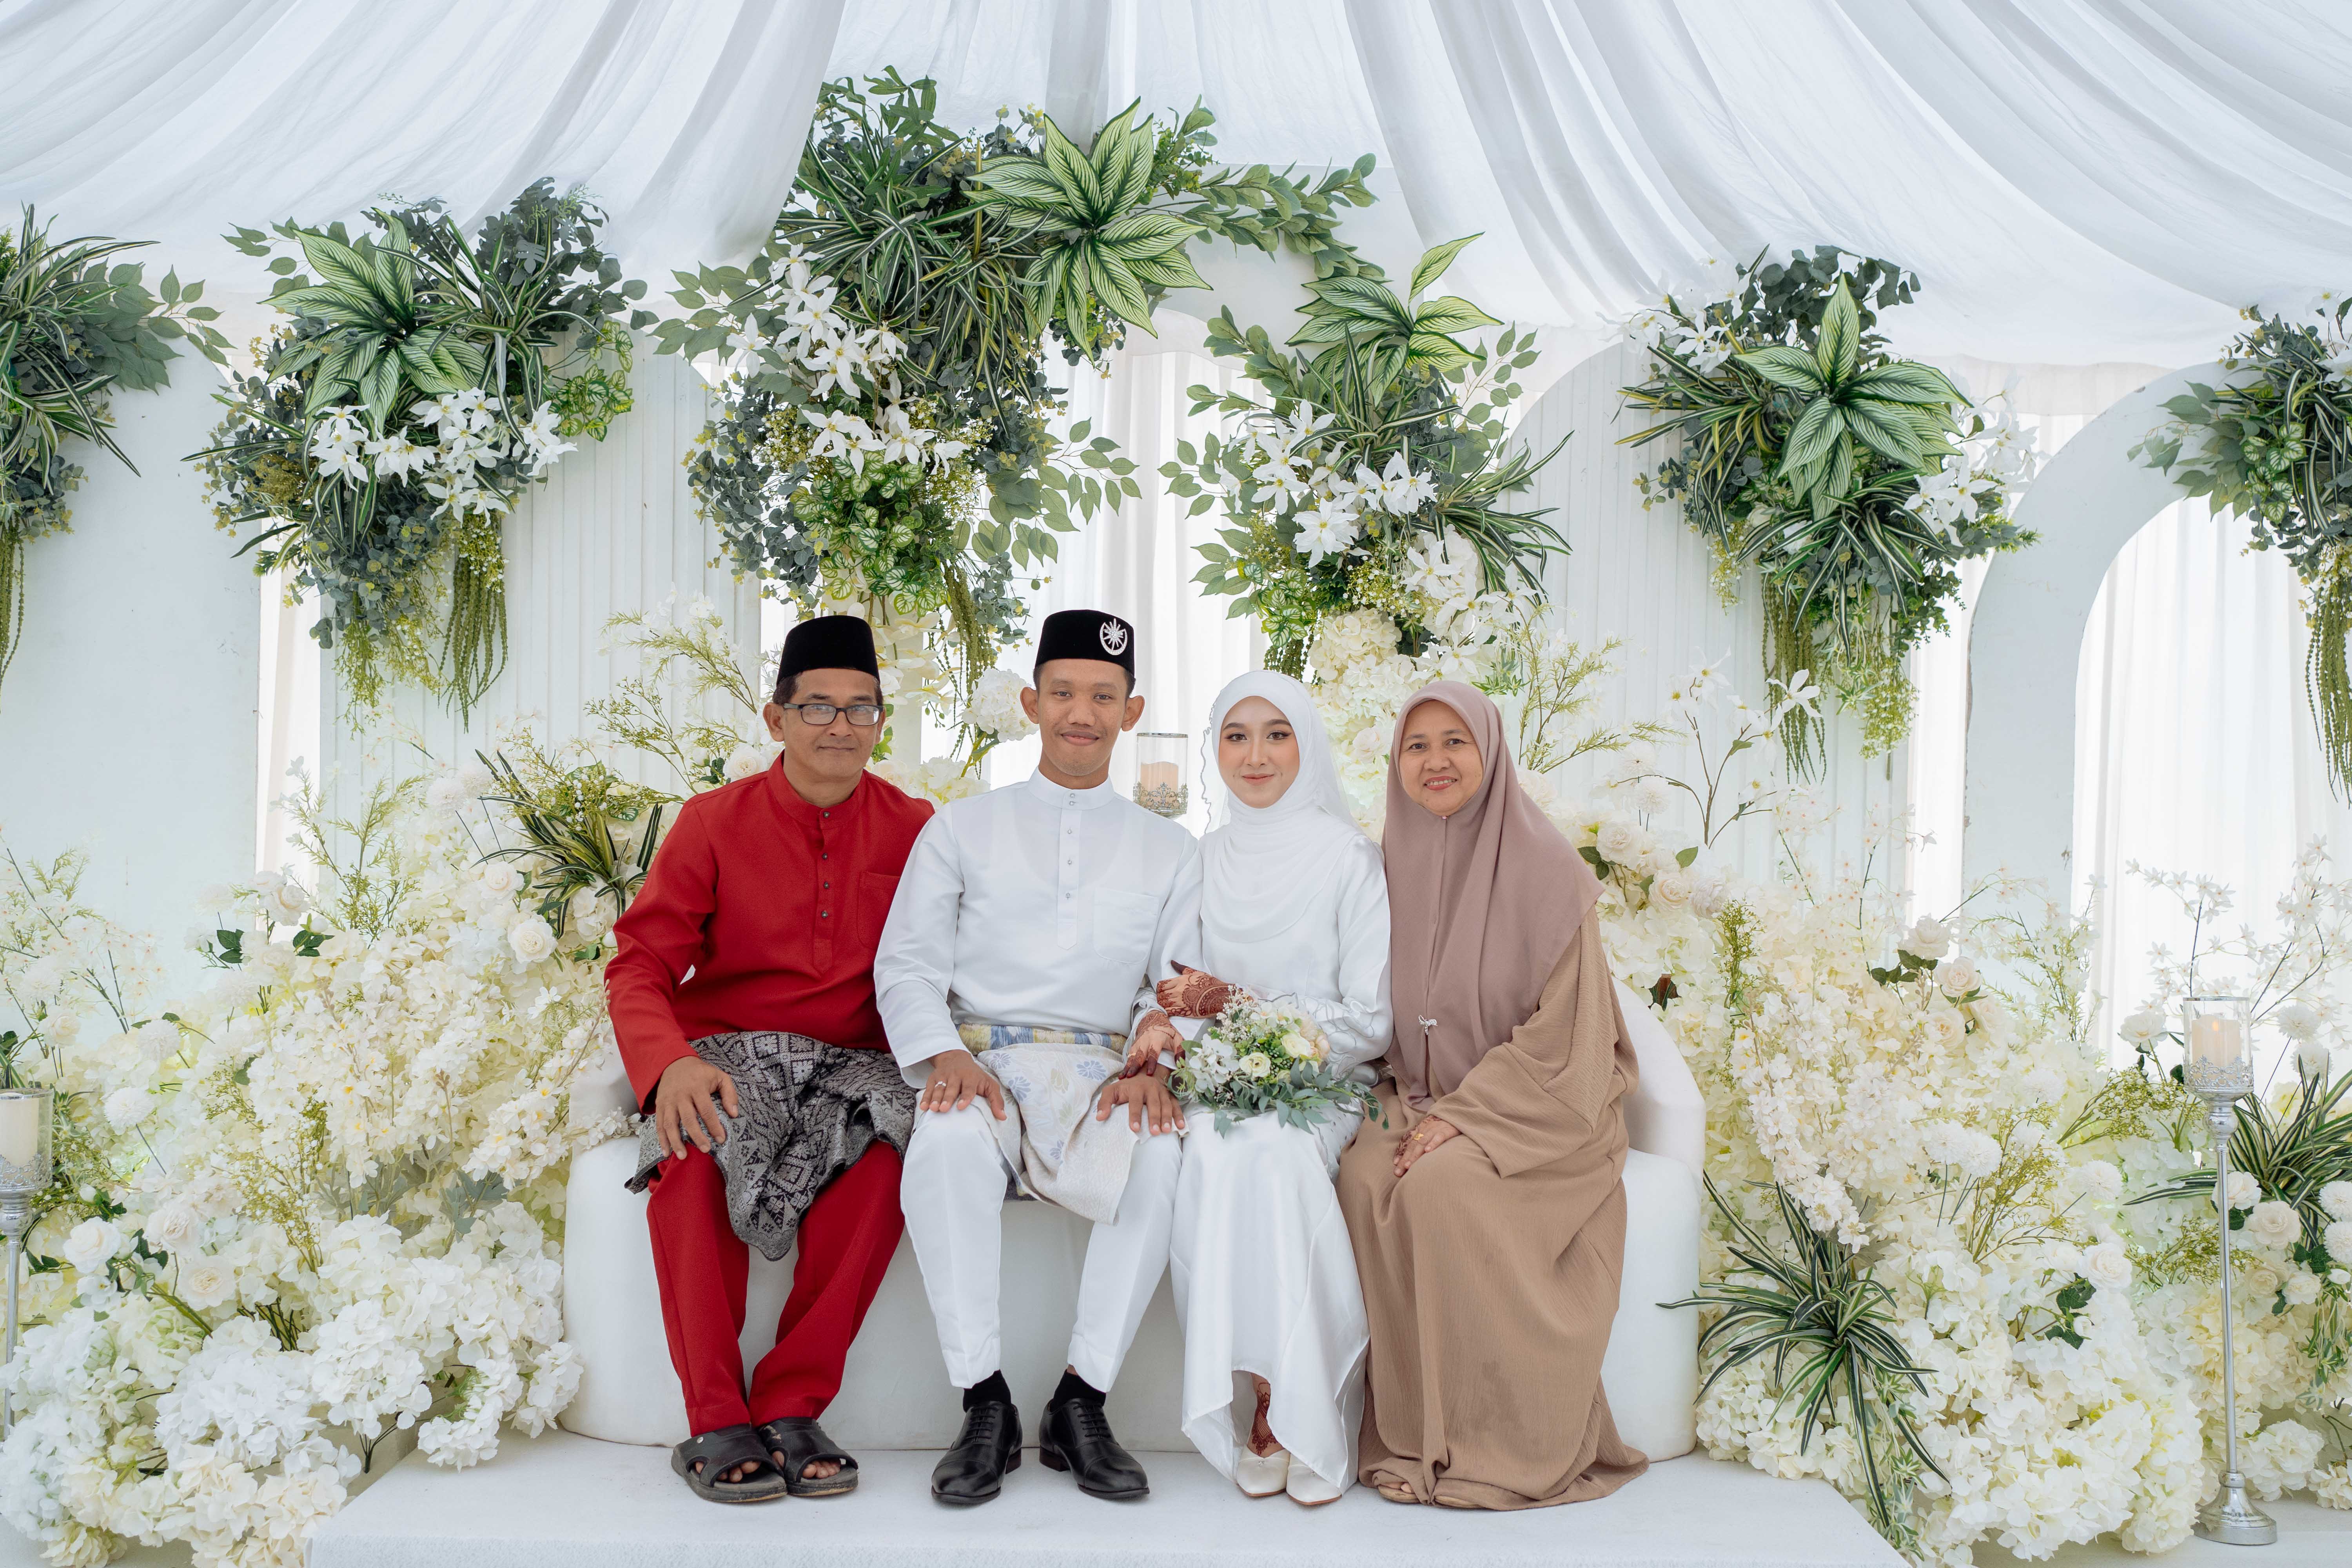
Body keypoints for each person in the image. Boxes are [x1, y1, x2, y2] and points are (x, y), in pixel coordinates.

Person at [606, 613, 934, 1504]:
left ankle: (792, 1405)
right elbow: (640, 962)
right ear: (776, 716)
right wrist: (668, 1064)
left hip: (855, 1065)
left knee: (888, 1163)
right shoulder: (713, 823)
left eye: (861, 708)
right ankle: (715, 1416)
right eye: (818, 706)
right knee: (688, 1152)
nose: (841, 726)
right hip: (729, 1056)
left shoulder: (917, 828)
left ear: (881, 721)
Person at [875, 608, 1200, 1506]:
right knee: (945, 1144)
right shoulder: (960, 828)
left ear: (1132, 712)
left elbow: (1174, 982)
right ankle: (982, 1399)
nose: (1081, 713)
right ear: (1032, 703)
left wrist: (1152, 1059)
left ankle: (1081, 1399)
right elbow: (906, 963)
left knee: (1161, 1151)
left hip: (1105, 1072)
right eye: (1062, 692)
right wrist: (944, 1052)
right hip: (983, 1064)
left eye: (1102, 696)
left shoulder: (1172, 849)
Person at [1335, 680, 1650, 1511]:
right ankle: (1412, 1436)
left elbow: (1570, 1038)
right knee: (1364, 1177)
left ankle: (1499, 1443)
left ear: (1492, 753)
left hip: (1544, 1106)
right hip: (1418, 1094)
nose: (1434, 761)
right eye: (1416, 746)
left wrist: (1466, 1117)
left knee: (1443, 1189)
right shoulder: (1386, 865)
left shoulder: (1547, 869)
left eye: (1455, 743)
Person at [1160, 671, 1390, 1506]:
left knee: (1278, 1156)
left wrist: (1243, 1008)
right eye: (1236, 735)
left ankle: (1301, 1407)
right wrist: (1212, 1038)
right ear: (1216, 749)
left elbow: (1371, 1019)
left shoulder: (1350, 858)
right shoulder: (1205, 857)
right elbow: (1174, 989)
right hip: (1221, 1082)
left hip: (1324, 1083)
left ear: (1307, 744)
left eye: (1276, 734)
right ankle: (1260, 1390)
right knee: (1220, 1156)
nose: (1255, 755)